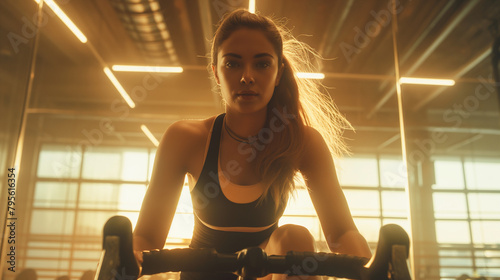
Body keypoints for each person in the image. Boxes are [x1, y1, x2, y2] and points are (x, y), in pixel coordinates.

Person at [133, 9, 372, 280]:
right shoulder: (185, 138)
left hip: (264, 272)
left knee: (295, 236)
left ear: (279, 72)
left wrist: (370, 269)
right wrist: (128, 259)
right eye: (233, 64)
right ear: (216, 72)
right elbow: (147, 236)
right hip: (202, 274)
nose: (247, 77)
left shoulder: (304, 142)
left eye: (262, 64)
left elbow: (342, 233)